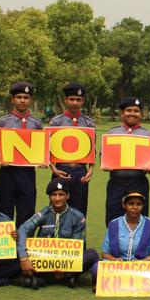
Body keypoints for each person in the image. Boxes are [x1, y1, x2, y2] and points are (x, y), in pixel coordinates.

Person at [17, 178, 99, 289]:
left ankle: (45, 280)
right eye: (53, 195)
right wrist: (23, 258)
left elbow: (78, 246)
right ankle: (67, 278)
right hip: (44, 259)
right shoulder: (43, 213)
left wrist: (63, 265)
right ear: (49, 197)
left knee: (92, 254)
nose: (57, 198)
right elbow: (23, 229)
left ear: (68, 196)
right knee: (17, 254)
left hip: (67, 261)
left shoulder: (78, 217)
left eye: (61, 194)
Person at [0, 81, 44, 226]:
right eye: (19, 97)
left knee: (27, 211)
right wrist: (0, 158)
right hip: (7, 172)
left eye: (26, 97)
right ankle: (5, 247)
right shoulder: (3, 122)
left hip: (27, 173)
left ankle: (23, 246)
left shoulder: (36, 124)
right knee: (4, 211)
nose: (22, 100)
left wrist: (42, 160)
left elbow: (41, 147)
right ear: (13, 99)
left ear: (31, 100)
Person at [93, 192, 150, 287]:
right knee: (96, 268)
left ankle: (115, 283)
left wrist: (141, 262)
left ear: (143, 206)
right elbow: (105, 254)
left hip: (140, 267)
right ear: (124, 205)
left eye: (138, 204)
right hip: (118, 267)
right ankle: (135, 283)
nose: (135, 207)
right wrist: (114, 260)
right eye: (131, 204)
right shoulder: (113, 224)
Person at [105, 96, 150, 226]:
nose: (132, 113)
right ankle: (114, 245)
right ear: (122, 113)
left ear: (141, 113)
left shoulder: (147, 134)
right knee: (113, 217)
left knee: (140, 218)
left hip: (138, 182)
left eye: (136, 110)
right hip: (116, 182)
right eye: (129, 110)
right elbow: (103, 154)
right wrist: (105, 163)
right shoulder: (112, 132)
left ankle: (138, 246)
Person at [49, 82, 96, 216]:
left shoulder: (89, 123)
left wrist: (90, 170)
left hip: (81, 172)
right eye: (72, 99)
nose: (75, 103)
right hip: (61, 170)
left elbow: (92, 149)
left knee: (79, 211)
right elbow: (47, 150)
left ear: (83, 101)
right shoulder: (56, 122)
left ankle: (79, 237)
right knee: (57, 209)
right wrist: (54, 169)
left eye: (78, 100)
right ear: (66, 100)